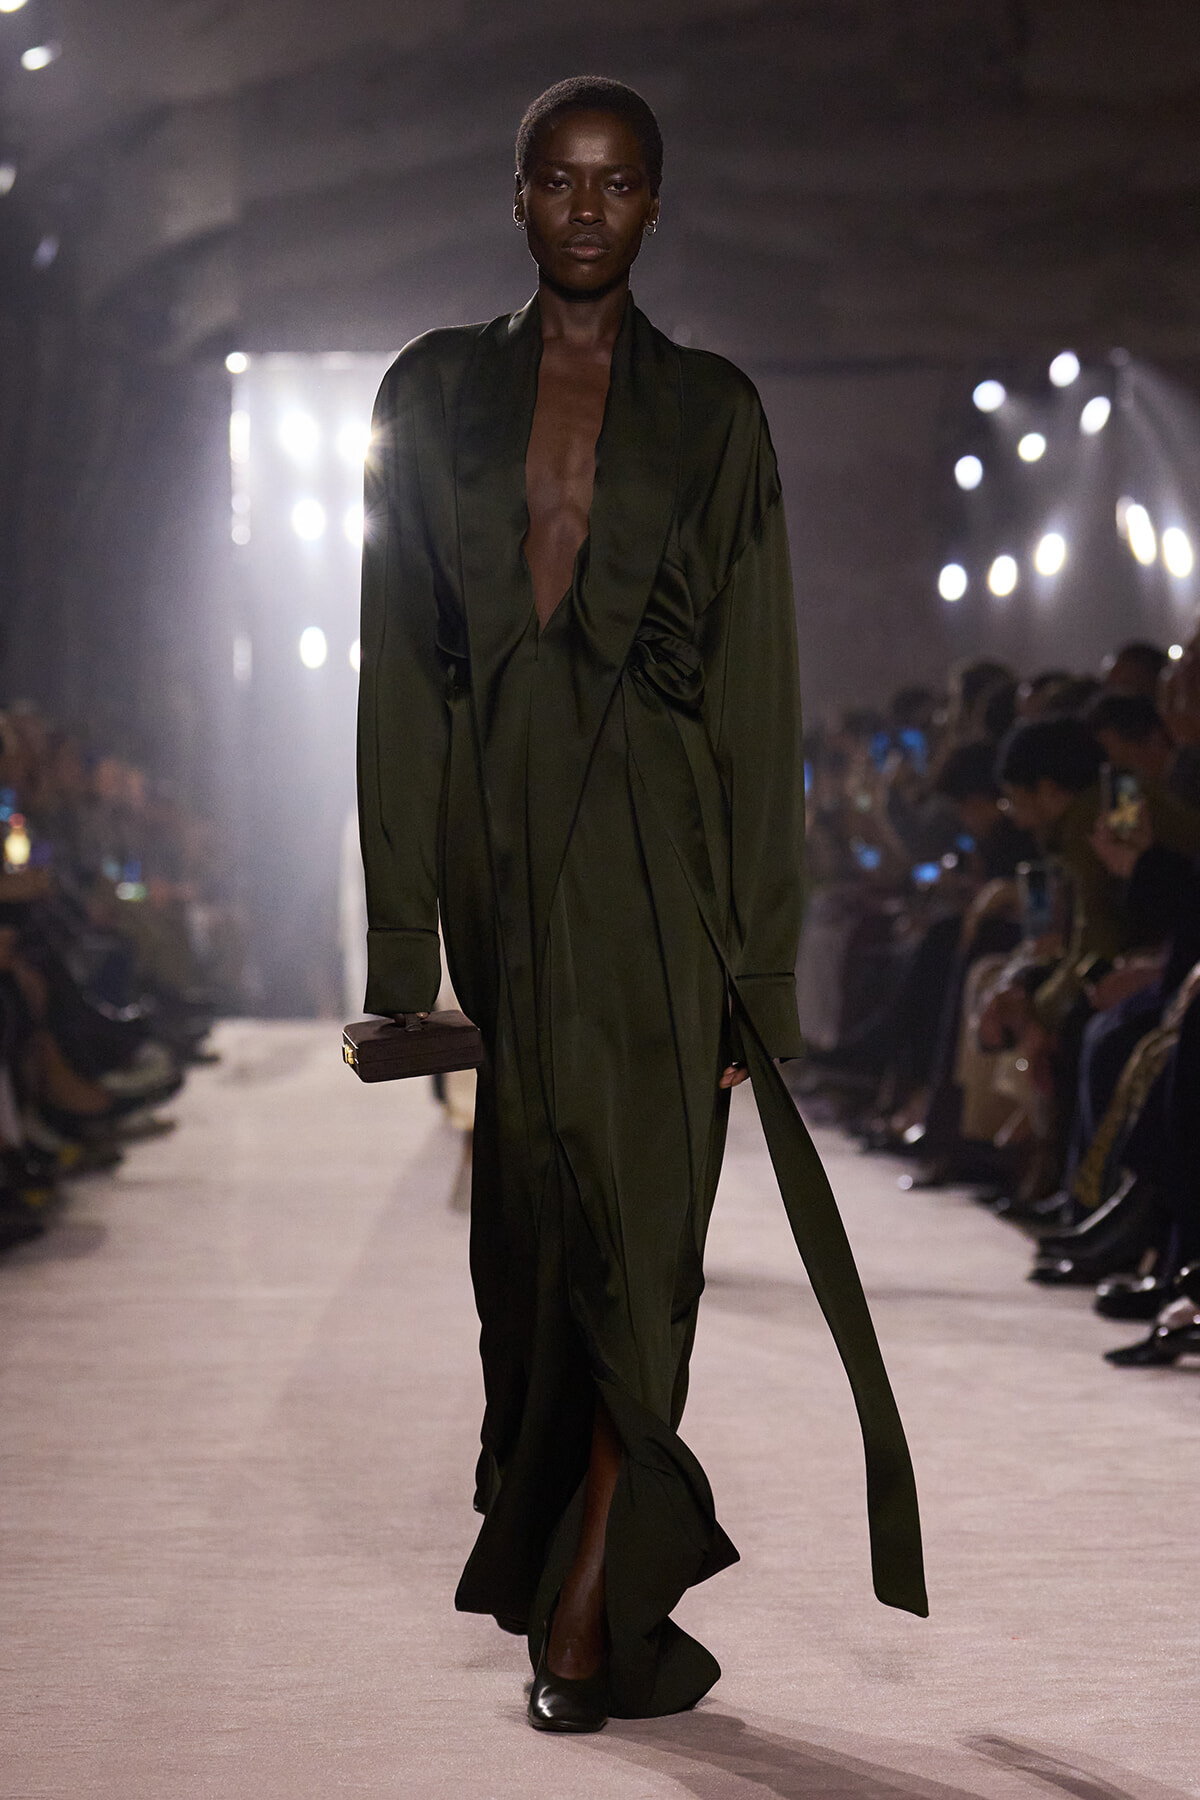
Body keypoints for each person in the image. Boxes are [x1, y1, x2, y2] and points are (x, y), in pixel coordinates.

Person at [356, 75, 925, 1733]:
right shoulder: (436, 393)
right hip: (505, 883)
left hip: (666, 880)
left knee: (644, 1252)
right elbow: (403, 674)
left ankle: (592, 1616)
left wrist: (761, 969)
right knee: (533, 1259)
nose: (588, 206)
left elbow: (759, 696)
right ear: (516, 198)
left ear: (656, 208)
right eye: (559, 178)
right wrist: (406, 953)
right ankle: (580, 1575)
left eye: (618, 183)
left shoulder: (717, 416)